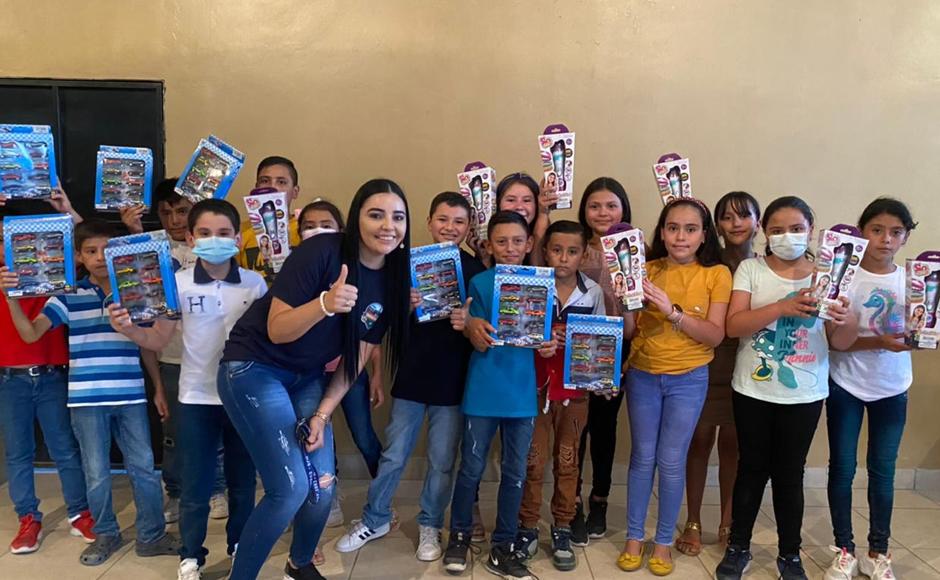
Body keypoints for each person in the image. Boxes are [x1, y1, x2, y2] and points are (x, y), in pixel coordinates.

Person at [218, 179, 411, 580]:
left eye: (397, 217)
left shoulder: (394, 278)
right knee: (288, 490)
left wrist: (322, 415)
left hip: (306, 378)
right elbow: (277, 330)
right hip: (254, 368)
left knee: (322, 486)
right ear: (357, 217)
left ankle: (299, 564)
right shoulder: (321, 251)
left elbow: (355, 359)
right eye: (376, 214)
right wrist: (325, 304)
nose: (387, 226)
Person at [2, 220, 179, 566]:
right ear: (78, 257)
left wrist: (157, 386)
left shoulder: (134, 290)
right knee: (96, 472)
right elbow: (29, 335)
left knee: (143, 468)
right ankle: (106, 534)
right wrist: (12, 299)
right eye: (91, 251)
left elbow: (150, 342)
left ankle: (151, 535)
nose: (100, 257)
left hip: (130, 395)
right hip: (86, 400)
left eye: (107, 250)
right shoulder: (68, 296)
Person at [108, 199, 266, 580]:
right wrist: (126, 328)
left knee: (242, 483)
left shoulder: (254, 284)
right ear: (191, 239)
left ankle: (239, 546)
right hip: (195, 397)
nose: (216, 240)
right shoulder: (175, 284)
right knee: (195, 485)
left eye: (224, 233)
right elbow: (159, 336)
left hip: (243, 398)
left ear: (236, 237)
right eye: (206, 233)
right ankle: (191, 555)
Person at [335, 192, 484, 561]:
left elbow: (484, 331)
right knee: (394, 455)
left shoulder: (476, 272)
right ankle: (376, 517)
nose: (450, 227)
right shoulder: (403, 265)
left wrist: (468, 324)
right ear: (429, 221)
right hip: (412, 378)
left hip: (453, 381)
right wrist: (405, 305)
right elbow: (379, 323)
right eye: (443, 219)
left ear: (468, 228)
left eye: (459, 222)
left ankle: (431, 524)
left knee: (441, 460)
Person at [715, 196, 857, 580]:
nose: (787, 236)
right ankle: (738, 547)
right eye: (777, 229)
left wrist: (845, 316)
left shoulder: (827, 277)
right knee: (751, 469)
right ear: (765, 232)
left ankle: (789, 555)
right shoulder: (750, 269)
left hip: (805, 394)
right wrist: (781, 308)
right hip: (753, 389)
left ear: (811, 229)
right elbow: (733, 326)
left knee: (790, 473)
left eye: (796, 228)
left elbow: (840, 342)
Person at [616, 199, 732, 576]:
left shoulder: (717, 274)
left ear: (703, 236)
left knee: (670, 460)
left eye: (690, 229)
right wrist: (627, 307)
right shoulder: (645, 269)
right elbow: (631, 333)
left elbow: (714, 336)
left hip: (689, 378)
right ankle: (635, 537)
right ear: (661, 231)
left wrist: (672, 312)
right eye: (672, 227)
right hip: (643, 375)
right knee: (642, 458)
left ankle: (663, 541)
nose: (679, 236)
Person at [443, 211, 557, 580]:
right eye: (502, 241)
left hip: (522, 392)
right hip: (483, 388)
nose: (510, 248)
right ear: (489, 245)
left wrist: (549, 345)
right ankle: (459, 536)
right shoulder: (478, 281)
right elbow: (466, 325)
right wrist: (471, 326)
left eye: (517, 241)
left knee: (515, 472)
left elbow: (546, 336)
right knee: (471, 467)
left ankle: (504, 545)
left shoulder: (543, 284)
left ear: (528, 245)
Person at [121, 179, 229, 523]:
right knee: (173, 433)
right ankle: (176, 491)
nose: (174, 220)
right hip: (169, 359)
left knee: (217, 430)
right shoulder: (148, 248)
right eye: (165, 213)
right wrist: (155, 383)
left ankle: (217, 489)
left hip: (213, 359)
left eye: (181, 211)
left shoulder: (212, 249)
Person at [823, 198, 916, 580]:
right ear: (863, 232)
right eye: (877, 230)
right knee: (842, 468)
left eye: (896, 232)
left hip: (893, 386)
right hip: (845, 383)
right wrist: (880, 341)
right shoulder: (845, 277)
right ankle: (844, 549)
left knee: (883, 470)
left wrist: (920, 337)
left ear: (906, 236)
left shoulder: (914, 281)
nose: (885, 239)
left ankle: (879, 551)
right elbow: (833, 341)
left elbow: (920, 335)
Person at [0, 190, 95, 554]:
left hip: (53, 375)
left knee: (65, 449)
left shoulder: (54, 275)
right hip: (10, 380)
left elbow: (91, 246)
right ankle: (28, 518)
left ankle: (79, 512)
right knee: (19, 453)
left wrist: (68, 210)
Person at [516, 220, 605, 572]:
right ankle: (526, 526)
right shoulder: (531, 287)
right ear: (545, 251)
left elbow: (600, 345)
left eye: (572, 252)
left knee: (568, 462)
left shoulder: (593, 292)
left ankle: (563, 526)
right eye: (556, 250)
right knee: (533, 461)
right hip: (534, 389)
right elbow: (516, 333)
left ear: (584, 254)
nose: (563, 258)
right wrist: (538, 340)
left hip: (575, 392)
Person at [677, 191, 761, 556]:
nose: (736, 224)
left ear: (758, 222)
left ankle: (728, 522)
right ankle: (693, 521)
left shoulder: (764, 266)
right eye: (727, 217)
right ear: (717, 226)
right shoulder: (708, 264)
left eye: (744, 216)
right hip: (705, 363)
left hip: (748, 369)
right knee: (697, 443)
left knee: (734, 448)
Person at [573, 177, 633, 544]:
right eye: (595, 206)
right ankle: (572, 500)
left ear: (623, 208)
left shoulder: (635, 250)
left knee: (605, 428)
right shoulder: (574, 248)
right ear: (584, 210)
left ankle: (600, 499)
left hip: (620, 349)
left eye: (611, 205)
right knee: (576, 427)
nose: (603, 213)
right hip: (575, 349)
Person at [237, 156, 303, 282]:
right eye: (265, 181)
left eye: (281, 182)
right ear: (256, 188)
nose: (273, 188)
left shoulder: (305, 228)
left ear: (295, 192)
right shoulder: (240, 231)